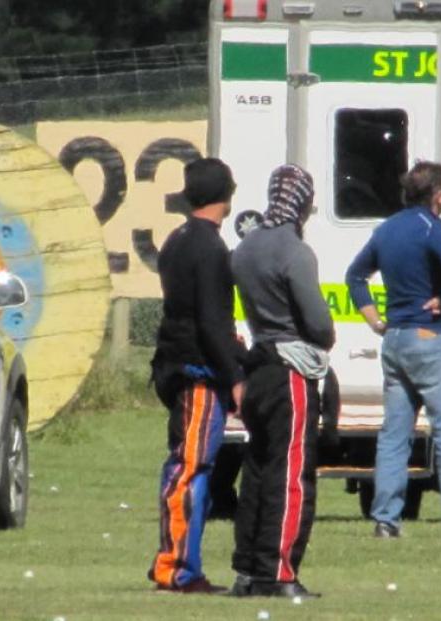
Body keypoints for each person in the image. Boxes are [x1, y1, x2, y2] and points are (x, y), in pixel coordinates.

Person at [345, 160, 441, 540]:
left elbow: (355, 275)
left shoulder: (387, 229)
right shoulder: (431, 227)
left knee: (395, 434)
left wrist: (375, 321)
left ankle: (386, 519)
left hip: (394, 340)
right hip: (430, 338)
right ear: (438, 195)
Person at [229, 164, 335, 599]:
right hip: (290, 368)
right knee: (290, 473)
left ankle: (248, 570)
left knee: (257, 470)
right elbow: (317, 322)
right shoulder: (295, 251)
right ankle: (281, 572)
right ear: (304, 202)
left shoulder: (244, 248)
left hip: (258, 367)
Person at [147, 157, 245, 593]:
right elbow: (211, 322)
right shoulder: (210, 248)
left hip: (175, 364)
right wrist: (235, 374)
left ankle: (184, 562)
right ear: (226, 196)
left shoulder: (177, 239)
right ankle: (176, 566)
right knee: (190, 468)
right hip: (198, 372)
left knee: (191, 466)